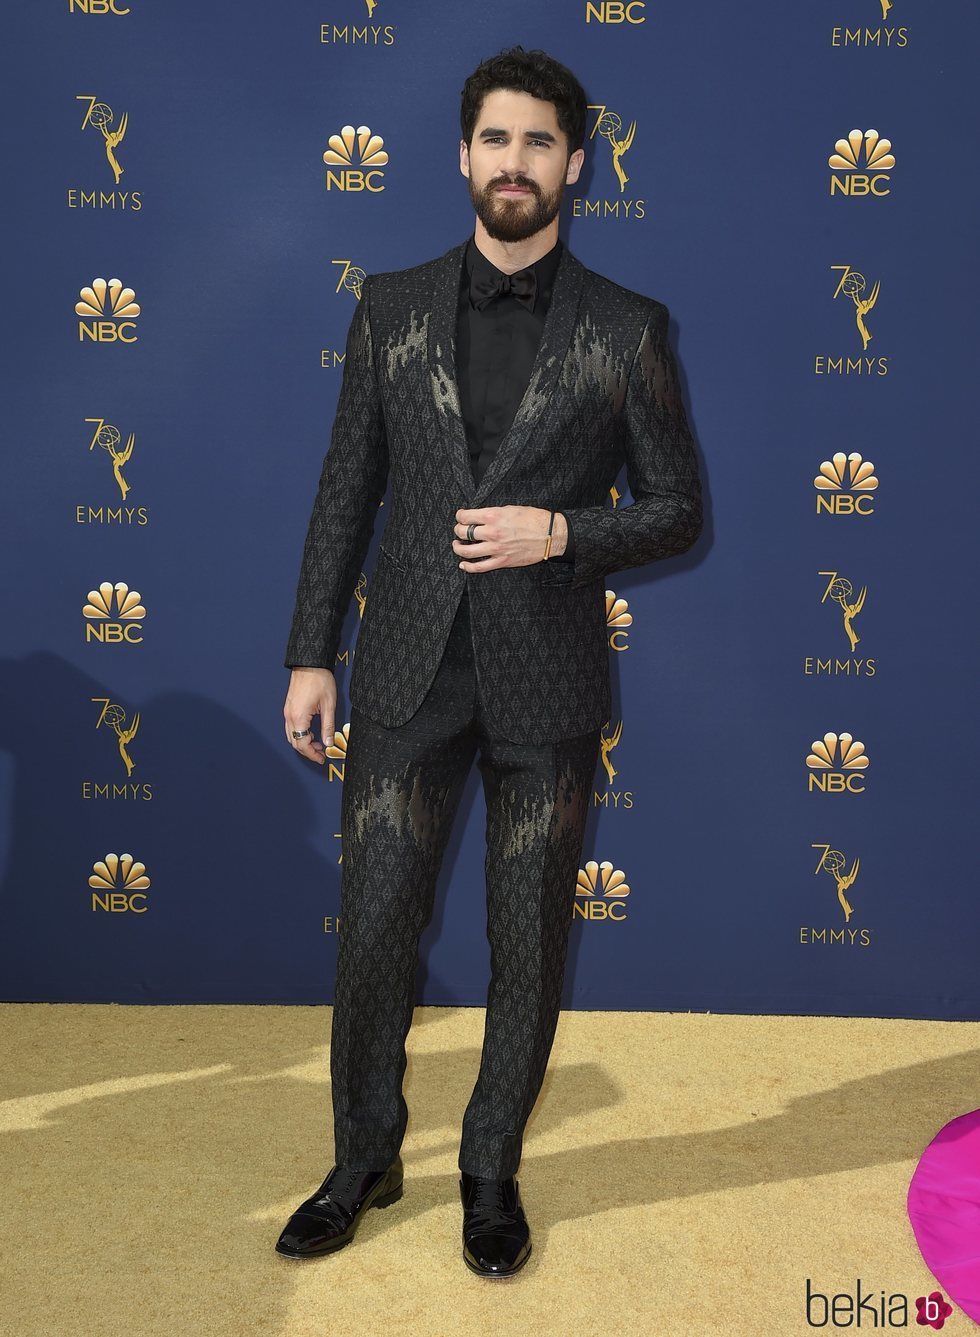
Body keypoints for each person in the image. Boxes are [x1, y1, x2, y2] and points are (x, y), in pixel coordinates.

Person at [275, 45, 703, 1277]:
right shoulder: (389, 304)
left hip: (549, 685)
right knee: (370, 934)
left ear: (577, 162)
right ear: (462, 155)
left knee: (526, 939)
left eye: (539, 143)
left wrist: (562, 529)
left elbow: (675, 507)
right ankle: (360, 1156)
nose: (514, 164)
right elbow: (343, 491)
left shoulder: (627, 328)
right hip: (405, 669)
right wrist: (312, 651)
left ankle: (488, 1168)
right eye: (494, 140)